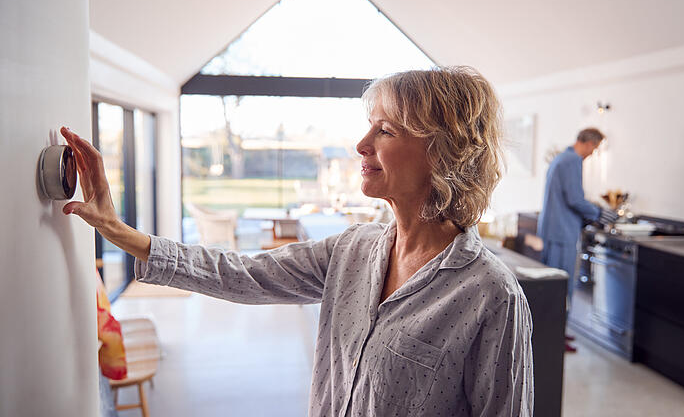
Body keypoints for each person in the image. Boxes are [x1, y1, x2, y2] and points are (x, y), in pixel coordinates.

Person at [60, 66, 534, 416]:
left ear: (443, 152)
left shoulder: (490, 296)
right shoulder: (353, 249)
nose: (361, 143)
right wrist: (122, 233)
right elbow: (241, 274)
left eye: (385, 129)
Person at [537, 128, 617, 351]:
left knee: (554, 285)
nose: (593, 154)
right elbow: (574, 199)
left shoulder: (561, 158)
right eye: (595, 148)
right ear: (589, 144)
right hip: (562, 233)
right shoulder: (572, 161)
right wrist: (600, 213)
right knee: (561, 287)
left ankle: (556, 333)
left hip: (552, 230)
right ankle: (554, 339)